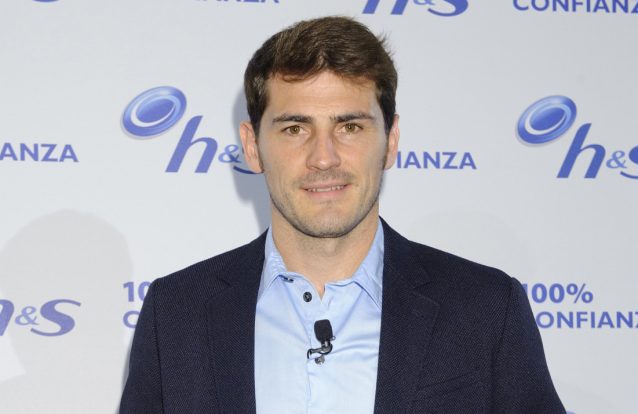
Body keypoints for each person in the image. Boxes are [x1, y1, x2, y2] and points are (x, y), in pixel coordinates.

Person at [120, 16, 565, 413]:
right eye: (295, 128)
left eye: (350, 127)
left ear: (390, 141)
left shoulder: (485, 309)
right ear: (252, 146)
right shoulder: (175, 313)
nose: (324, 157)